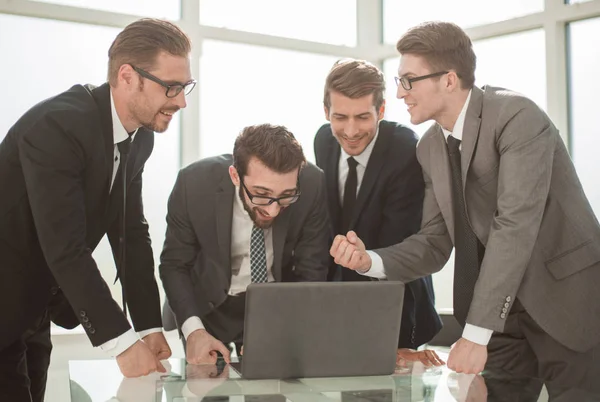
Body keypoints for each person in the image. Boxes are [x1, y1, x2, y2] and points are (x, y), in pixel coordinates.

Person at [330, 21, 600, 392]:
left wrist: (474, 333)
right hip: (502, 319)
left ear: (449, 80)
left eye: (409, 80)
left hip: (564, 300)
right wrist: (370, 261)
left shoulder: (517, 117)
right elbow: (435, 242)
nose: (401, 92)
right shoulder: (428, 148)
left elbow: (515, 224)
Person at [0, 18, 195, 401]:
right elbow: (65, 246)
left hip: (36, 305)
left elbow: (132, 233)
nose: (181, 101)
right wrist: (121, 344)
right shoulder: (58, 125)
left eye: (185, 87)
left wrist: (149, 327)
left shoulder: (139, 140)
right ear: (127, 76)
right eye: (171, 87)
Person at [160, 123, 329, 364]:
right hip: (206, 305)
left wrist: (287, 329)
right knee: (206, 390)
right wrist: (193, 331)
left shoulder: (312, 184)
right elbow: (174, 265)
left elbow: (311, 270)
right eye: (261, 194)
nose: (273, 210)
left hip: (275, 304)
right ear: (235, 176)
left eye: (286, 196)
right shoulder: (194, 183)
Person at [314, 59, 443, 366]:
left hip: (395, 307)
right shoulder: (323, 140)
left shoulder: (404, 150)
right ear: (326, 112)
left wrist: (378, 340)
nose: (350, 131)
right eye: (340, 117)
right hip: (340, 304)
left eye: (362, 117)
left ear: (381, 111)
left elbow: (398, 246)